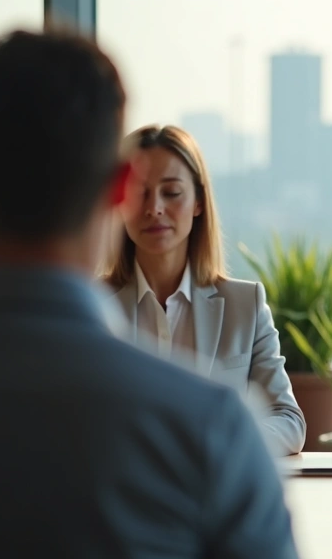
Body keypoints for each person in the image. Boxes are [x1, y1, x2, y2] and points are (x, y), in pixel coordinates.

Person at [0, 29, 297, 558]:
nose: (155, 208)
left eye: (172, 192)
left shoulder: (230, 354)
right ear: (120, 187)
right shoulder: (210, 426)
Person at [103, 124, 305, 456]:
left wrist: (219, 446)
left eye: (171, 192)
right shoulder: (92, 304)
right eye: (139, 193)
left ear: (198, 201)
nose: (154, 208)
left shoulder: (246, 305)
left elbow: (288, 421)